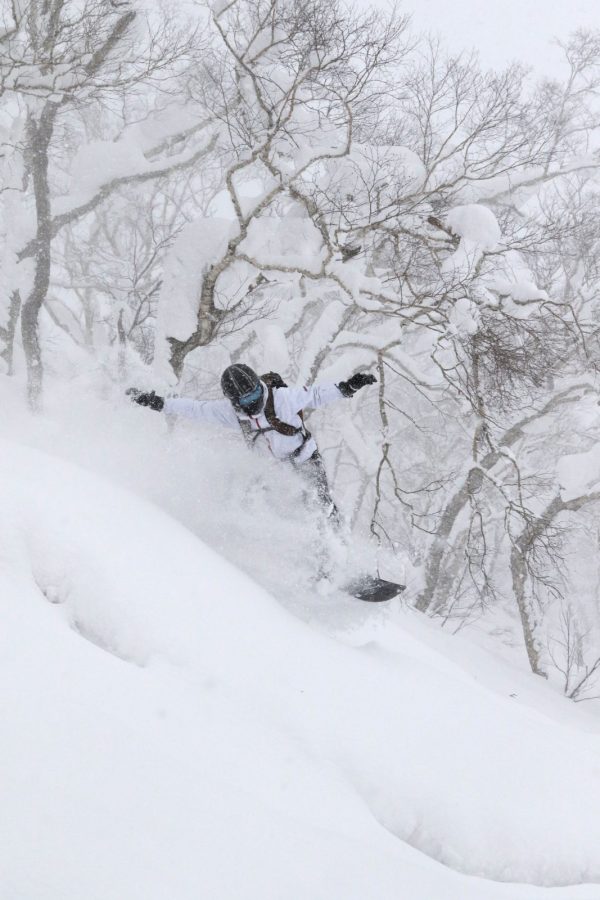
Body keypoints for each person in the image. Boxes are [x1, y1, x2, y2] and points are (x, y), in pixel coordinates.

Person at [127, 364, 376, 522]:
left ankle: (336, 558)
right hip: (273, 471)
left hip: (304, 460)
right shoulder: (231, 413)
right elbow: (195, 409)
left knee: (321, 509)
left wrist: (347, 387)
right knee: (273, 509)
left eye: (255, 393)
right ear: (234, 401)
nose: (251, 401)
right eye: (245, 399)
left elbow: (317, 395)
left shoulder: (283, 398)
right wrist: (159, 403)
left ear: (260, 386)